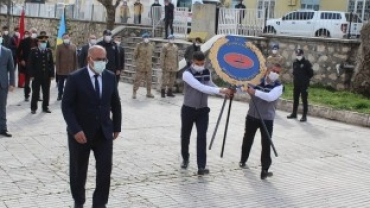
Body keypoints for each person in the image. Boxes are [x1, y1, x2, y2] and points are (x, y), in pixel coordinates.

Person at [61, 45, 121, 208]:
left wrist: (117, 126)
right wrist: (75, 129)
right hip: (81, 134)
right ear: (89, 59)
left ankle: (100, 203)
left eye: (104, 59)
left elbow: (115, 103)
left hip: (104, 133)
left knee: (104, 171)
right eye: (98, 59)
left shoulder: (109, 77)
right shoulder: (75, 78)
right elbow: (67, 106)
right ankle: (79, 201)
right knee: (78, 171)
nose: (102, 62)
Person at [181, 51, 232, 175]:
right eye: (198, 63)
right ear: (193, 62)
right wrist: (221, 90)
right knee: (185, 135)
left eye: (202, 63)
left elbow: (210, 85)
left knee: (202, 136)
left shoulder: (206, 72)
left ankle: (201, 166)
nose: (200, 65)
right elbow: (200, 87)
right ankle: (185, 158)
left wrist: (223, 94)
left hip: (203, 110)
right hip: (189, 109)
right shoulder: (187, 74)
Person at [239, 63, 283, 180]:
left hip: (267, 119)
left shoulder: (278, 87)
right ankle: (243, 160)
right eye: (274, 70)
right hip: (252, 116)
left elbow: (270, 97)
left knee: (266, 143)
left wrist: (255, 92)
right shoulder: (257, 81)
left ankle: (265, 169)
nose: (275, 74)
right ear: (268, 70)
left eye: (278, 72)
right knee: (247, 138)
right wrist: (236, 88)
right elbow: (244, 88)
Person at [28, 32, 54, 114]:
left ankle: (45, 107)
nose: (44, 43)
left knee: (46, 92)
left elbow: (51, 63)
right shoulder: (33, 51)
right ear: (38, 42)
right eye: (42, 42)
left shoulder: (49, 51)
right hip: (36, 76)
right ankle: (33, 108)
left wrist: (52, 74)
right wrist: (31, 75)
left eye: (45, 42)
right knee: (35, 92)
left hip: (46, 76)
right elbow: (30, 64)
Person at [287, 49, 314, 122]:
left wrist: (305, 79)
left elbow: (311, 74)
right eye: (297, 55)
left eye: (299, 55)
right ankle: (294, 113)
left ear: (302, 54)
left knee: (304, 100)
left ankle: (304, 116)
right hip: (296, 84)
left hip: (304, 85)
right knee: (295, 99)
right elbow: (294, 73)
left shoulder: (306, 63)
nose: (298, 56)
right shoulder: (295, 63)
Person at [0, 35, 15, 137]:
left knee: (2, 107)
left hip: (3, 84)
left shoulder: (7, 52)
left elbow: (11, 69)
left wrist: (12, 83)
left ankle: (3, 128)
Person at [56, 33, 78, 101]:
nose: (66, 39)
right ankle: (60, 94)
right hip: (62, 69)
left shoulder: (74, 46)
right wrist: (58, 69)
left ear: (70, 38)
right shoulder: (59, 47)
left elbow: (75, 59)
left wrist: (75, 69)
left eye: (67, 37)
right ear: (62, 39)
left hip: (71, 69)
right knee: (61, 84)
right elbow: (57, 59)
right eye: (64, 38)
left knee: (70, 84)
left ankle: (69, 95)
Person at [18, 28, 38, 101]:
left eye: (35, 32)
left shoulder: (38, 42)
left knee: (36, 81)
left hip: (36, 65)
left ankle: (36, 95)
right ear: (29, 33)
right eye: (33, 32)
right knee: (27, 82)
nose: (34, 33)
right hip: (27, 64)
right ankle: (26, 95)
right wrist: (21, 60)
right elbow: (18, 52)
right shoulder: (23, 41)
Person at [132, 33, 154, 99]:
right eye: (145, 38)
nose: (146, 39)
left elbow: (151, 55)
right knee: (137, 80)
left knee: (149, 80)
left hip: (148, 66)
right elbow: (135, 55)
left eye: (147, 37)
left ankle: (149, 93)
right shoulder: (139, 45)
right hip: (141, 66)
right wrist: (138, 63)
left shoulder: (151, 46)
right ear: (143, 38)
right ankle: (134, 92)